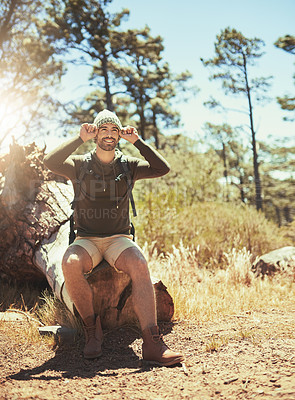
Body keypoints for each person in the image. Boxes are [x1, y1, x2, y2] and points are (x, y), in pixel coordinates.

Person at [44, 109, 184, 366]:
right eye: (103, 129)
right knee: (70, 262)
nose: (109, 134)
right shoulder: (79, 164)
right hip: (87, 240)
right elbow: (49, 162)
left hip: (119, 238)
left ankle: (152, 343)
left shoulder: (128, 165)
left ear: (119, 135)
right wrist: (78, 138)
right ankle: (91, 331)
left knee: (140, 262)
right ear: (95, 133)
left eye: (114, 130)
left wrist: (137, 142)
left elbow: (162, 168)